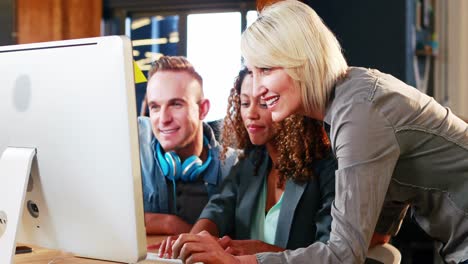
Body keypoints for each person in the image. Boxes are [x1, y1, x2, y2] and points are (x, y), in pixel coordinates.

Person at [169, 1, 468, 263]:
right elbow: (380, 225)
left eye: (267, 70)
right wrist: (257, 253)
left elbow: (342, 255)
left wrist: (246, 262)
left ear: (303, 61)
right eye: (253, 71)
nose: (258, 89)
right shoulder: (352, 99)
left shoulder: (359, 112)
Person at [157, 67, 336, 258]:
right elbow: (218, 208)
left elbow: (332, 255)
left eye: (264, 103)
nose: (251, 113)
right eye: (244, 103)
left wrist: (262, 253)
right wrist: (193, 241)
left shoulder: (328, 170)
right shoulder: (251, 162)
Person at [138, 56, 238, 235]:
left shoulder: (234, 167)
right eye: (155, 107)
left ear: (203, 109)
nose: (163, 119)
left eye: (176, 104)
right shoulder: (134, 147)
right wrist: (168, 223)